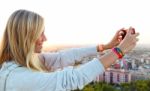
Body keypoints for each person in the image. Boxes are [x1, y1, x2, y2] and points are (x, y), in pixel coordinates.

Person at [0, 9, 139, 91]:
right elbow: (73, 79)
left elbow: (64, 57)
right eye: (40, 33)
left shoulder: (19, 63)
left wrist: (106, 46)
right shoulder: (18, 78)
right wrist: (119, 51)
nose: (45, 38)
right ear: (27, 36)